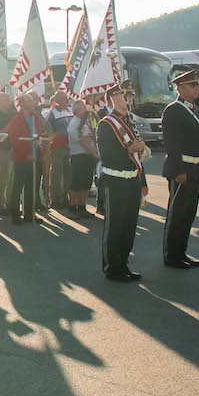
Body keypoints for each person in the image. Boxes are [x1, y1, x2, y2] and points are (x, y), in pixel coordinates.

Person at [97, 83, 148, 281]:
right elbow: (107, 155)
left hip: (132, 179)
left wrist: (140, 149)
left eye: (130, 96)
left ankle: (123, 263)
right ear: (113, 99)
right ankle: (113, 267)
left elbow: (137, 152)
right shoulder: (106, 124)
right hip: (115, 180)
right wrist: (130, 149)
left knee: (129, 225)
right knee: (115, 225)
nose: (128, 100)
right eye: (123, 96)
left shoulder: (130, 121)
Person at [162, 69, 199, 269]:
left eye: (198, 84)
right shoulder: (173, 110)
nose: (197, 88)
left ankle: (181, 252)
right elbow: (172, 144)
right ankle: (172, 256)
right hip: (181, 169)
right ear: (179, 89)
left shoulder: (194, 109)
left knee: (189, 214)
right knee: (177, 214)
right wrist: (179, 170)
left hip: (196, 169)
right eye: (193, 85)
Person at [7, 92, 44, 225]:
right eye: (29, 101)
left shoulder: (35, 117)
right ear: (22, 104)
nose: (33, 103)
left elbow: (38, 134)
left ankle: (29, 214)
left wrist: (39, 142)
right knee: (17, 187)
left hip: (34, 157)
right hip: (21, 158)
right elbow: (14, 140)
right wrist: (26, 154)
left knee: (31, 187)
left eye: (33, 101)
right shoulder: (16, 119)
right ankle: (15, 214)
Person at [67, 99, 98, 219]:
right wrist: (94, 153)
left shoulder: (86, 122)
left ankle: (82, 207)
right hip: (78, 156)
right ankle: (73, 208)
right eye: (83, 108)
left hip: (87, 156)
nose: (85, 110)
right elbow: (82, 141)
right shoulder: (74, 123)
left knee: (86, 183)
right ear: (76, 111)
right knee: (76, 183)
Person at [45, 90, 73, 210]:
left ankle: (64, 197)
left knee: (68, 173)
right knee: (56, 173)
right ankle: (55, 199)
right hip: (57, 146)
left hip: (70, 145)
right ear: (57, 101)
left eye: (66, 99)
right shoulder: (53, 113)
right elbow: (48, 130)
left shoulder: (70, 110)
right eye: (63, 99)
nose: (66, 101)